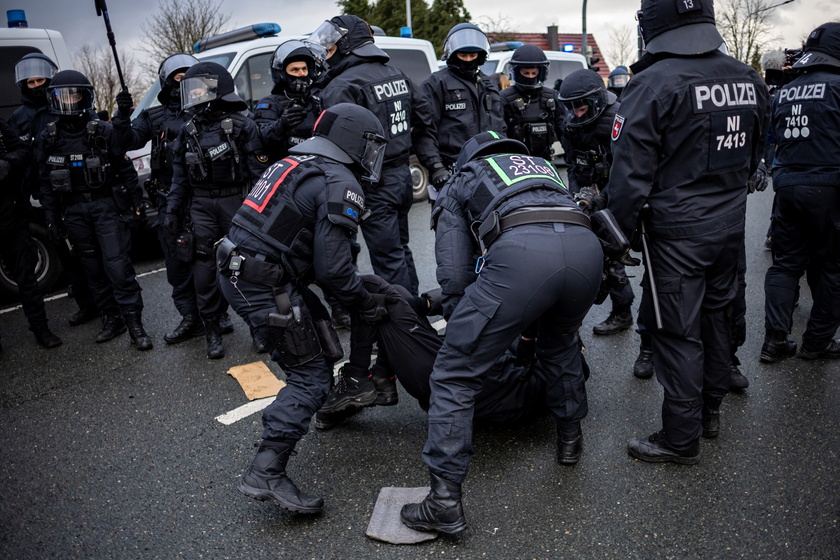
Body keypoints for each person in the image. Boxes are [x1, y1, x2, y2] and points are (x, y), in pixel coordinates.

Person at [400, 132, 603, 535]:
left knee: (454, 374)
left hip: (523, 256)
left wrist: (465, 329)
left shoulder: (465, 176)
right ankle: (569, 440)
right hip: (585, 250)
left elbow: (456, 274)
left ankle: (443, 503)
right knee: (560, 344)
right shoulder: (544, 169)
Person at [604, 0, 768, 464]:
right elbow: (756, 150)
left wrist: (620, 235)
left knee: (676, 331)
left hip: (676, 231)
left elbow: (628, 176)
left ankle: (680, 437)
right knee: (717, 317)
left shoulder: (651, 84)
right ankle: (709, 411)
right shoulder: (746, 77)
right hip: (728, 223)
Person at [220, 103, 390, 515]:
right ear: (352, 141)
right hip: (264, 284)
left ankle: (338, 396)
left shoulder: (296, 162)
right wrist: (366, 304)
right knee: (309, 376)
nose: (371, 157)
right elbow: (334, 271)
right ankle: (266, 469)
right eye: (369, 146)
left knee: (322, 338)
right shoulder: (338, 179)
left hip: (245, 271)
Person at [315, 274, 567, 431]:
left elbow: (531, 369)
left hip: (468, 384)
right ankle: (378, 379)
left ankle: (361, 379)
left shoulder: (554, 340)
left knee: (373, 287)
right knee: (397, 296)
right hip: (470, 373)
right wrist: (427, 303)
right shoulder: (539, 304)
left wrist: (528, 337)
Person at [36, 70, 153, 350]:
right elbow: (45, 182)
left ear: (85, 96)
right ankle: (111, 318)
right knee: (92, 270)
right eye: (62, 97)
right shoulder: (48, 137)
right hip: (73, 211)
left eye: (74, 95)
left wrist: (137, 203)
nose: (69, 102)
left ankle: (134, 323)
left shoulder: (103, 130)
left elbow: (125, 166)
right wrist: (51, 218)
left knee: (118, 266)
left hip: (105, 207)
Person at [307, 16, 419, 296]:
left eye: (332, 46)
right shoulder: (395, 72)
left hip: (373, 182)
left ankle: (403, 328)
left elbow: (338, 144)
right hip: (401, 175)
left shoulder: (341, 85)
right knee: (400, 251)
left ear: (347, 44)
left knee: (388, 259)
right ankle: (414, 314)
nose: (327, 53)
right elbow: (423, 117)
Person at [166, 61, 268, 359]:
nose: (194, 94)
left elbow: (259, 176)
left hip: (237, 203)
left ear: (217, 89)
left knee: (246, 265)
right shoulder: (188, 131)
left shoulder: (242, 125)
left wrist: (261, 213)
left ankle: (257, 328)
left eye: (200, 88)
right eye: (191, 89)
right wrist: (173, 211)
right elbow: (179, 176)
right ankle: (212, 331)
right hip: (201, 205)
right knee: (203, 269)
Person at [112, 53, 214, 347]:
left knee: (209, 260)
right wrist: (121, 118)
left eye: (189, 79)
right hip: (168, 199)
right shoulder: (154, 117)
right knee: (177, 264)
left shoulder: (207, 111)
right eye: (178, 79)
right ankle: (190, 318)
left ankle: (216, 317)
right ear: (166, 83)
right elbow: (124, 143)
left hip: (203, 197)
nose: (183, 85)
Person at [760, 22, 840, 362]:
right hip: (831, 188)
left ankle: (775, 341)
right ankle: (817, 342)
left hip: (788, 187)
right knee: (834, 268)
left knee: (785, 264)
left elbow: (773, 138)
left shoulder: (786, 90)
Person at [9, 53, 100, 328]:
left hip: (75, 189)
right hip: (44, 196)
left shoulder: (63, 105)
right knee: (64, 252)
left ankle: (106, 303)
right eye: (30, 81)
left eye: (40, 80)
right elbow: (18, 155)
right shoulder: (19, 117)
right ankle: (87, 305)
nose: (35, 85)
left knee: (91, 251)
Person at [559, 68, 637, 341]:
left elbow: (626, 170)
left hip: (619, 197)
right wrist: (577, 193)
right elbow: (571, 163)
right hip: (589, 193)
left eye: (582, 108)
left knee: (613, 256)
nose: (577, 114)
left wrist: (600, 198)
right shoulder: (569, 123)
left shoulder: (617, 119)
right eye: (572, 109)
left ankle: (623, 313)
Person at [412, 22, 506, 201]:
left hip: (491, 169)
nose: (469, 59)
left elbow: (500, 127)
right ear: (452, 54)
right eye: (464, 54)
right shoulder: (435, 84)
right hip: (452, 172)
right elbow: (424, 131)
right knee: (452, 226)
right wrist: (436, 167)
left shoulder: (489, 85)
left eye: (473, 54)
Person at [0, 116, 62, 350]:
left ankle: (41, 328)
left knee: (27, 277)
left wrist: (6, 164)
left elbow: (23, 151)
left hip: (11, 218)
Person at [499, 44, 565, 162]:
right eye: (526, 73)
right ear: (517, 72)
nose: (530, 77)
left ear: (541, 73)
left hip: (544, 161)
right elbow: (498, 134)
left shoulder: (551, 97)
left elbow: (563, 131)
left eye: (534, 73)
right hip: (515, 162)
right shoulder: (504, 98)